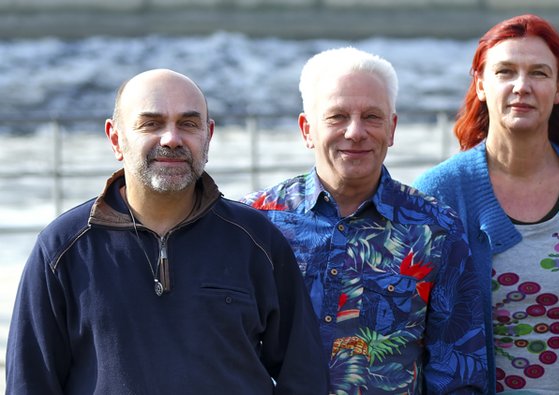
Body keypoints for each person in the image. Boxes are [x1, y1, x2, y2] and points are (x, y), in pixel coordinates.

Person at [5, 69, 326, 394]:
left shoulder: (256, 240)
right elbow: (30, 383)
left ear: (208, 135)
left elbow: (302, 376)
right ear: (116, 138)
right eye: (151, 124)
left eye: (188, 124)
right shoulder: (63, 248)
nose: (172, 138)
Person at [413, 14, 559, 394]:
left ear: (558, 89)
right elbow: (413, 334)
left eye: (538, 73)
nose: (522, 86)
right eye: (505, 72)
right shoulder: (439, 194)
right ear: (481, 84)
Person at [242, 47, 487, 394]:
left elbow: (458, 370)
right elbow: (223, 352)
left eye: (372, 116)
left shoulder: (435, 230)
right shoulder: (255, 223)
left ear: (392, 128)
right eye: (337, 116)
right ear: (307, 129)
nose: (355, 132)